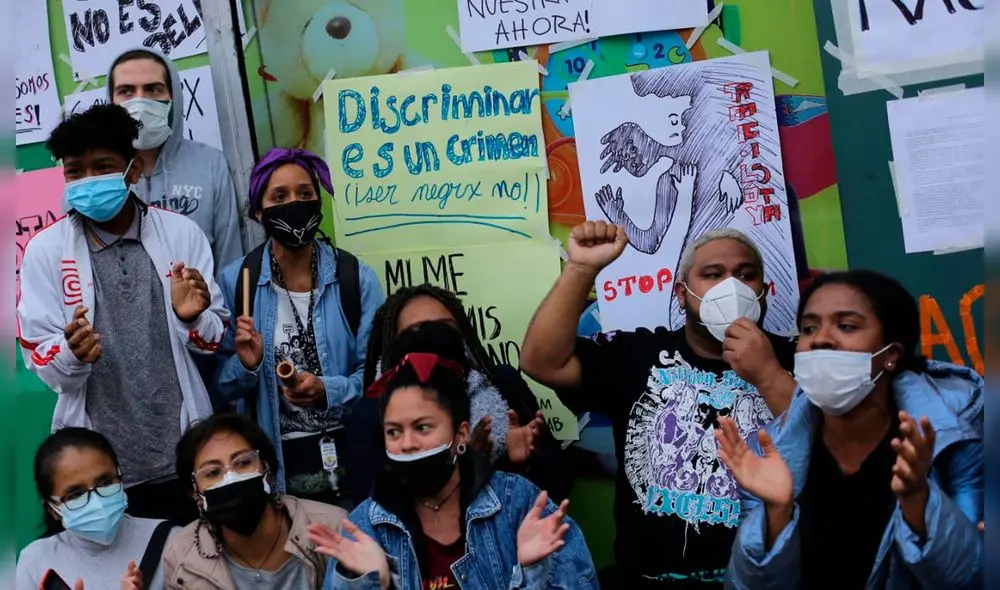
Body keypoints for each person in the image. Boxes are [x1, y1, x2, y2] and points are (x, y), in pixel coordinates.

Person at [519, 223, 797, 588]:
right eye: (713, 275)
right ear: (682, 294)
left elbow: (828, 442)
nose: (732, 286)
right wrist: (581, 268)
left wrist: (769, 374)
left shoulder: (794, 359)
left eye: (746, 275)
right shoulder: (638, 356)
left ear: (763, 292)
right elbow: (542, 362)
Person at [18, 104, 228, 525]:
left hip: (181, 453)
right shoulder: (46, 251)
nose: (89, 181)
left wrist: (191, 318)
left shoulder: (180, 234)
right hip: (103, 474)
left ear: (134, 170)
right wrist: (71, 353)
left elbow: (212, 340)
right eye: (75, 172)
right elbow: (42, 359)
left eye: (103, 167)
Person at [719, 269, 983, 589]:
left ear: (891, 354)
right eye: (809, 328)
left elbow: (975, 578)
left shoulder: (956, 441)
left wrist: (919, 502)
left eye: (846, 326)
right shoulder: (769, 450)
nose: (821, 338)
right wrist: (776, 514)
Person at [308, 340, 598, 589]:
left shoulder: (518, 504)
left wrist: (533, 572)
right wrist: (370, 582)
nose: (407, 443)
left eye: (422, 427)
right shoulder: (366, 527)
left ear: (460, 434)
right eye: (394, 431)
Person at [216, 148, 383, 508]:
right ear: (258, 211)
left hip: (355, 460)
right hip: (279, 473)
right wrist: (247, 364)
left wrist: (328, 390)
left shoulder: (355, 278)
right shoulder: (237, 282)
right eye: (279, 197)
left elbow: (377, 379)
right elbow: (221, 387)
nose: (294, 203)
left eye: (305, 193)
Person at [344, 284, 569, 506]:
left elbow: (559, 485)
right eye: (418, 330)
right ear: (394, 344)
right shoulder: (371, 414)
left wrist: (523, 464)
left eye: (446, 327)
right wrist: (468, 470)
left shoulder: (504, 384)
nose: (434, 338)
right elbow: (373, 509)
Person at [163, 413, 347, 589]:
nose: (231, 479)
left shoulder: (334, 526)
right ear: (194, 492)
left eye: (243, 463)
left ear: (267, 468)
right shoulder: (181, 555)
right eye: (212, 473)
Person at [107, 47, 243, 273]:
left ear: (173, 97)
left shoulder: (210, 164)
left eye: (153, 89)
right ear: (111, 100)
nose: (140, 101)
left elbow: (230, 262)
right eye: (126, 91)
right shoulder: (93, 176)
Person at [16, 428, 178, 590]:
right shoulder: (35, 561)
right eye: (76, 494)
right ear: (52, 509)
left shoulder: (173, 542)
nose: (97, 502)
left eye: (105, 483)